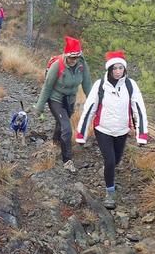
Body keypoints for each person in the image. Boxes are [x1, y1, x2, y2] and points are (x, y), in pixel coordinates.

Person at [75, 50, 148, 209]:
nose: (117, 71)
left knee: (116, 161)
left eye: (120, 68)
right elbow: (89, 109)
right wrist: (82, 133)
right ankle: (110, 192)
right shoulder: (100, 85)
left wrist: (141, 133)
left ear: (124, 69)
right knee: (109, 160)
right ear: (109, 69)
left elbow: (139, 109)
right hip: (103, 129)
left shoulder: (130, 85)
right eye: (114, 68)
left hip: (122, 130)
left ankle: (109, 172)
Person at [34, 36, 92, 173]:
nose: (74, 60)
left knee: (61, 122)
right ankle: (67, 161)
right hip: (55, 99)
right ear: (66, 55)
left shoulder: (82, 65)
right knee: (67, 127)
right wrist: (39, 107)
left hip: (70, 99)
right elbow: (47, 86)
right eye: (72, 57)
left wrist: (93, 102)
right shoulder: (57, 66)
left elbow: (87, 84)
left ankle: (56, 142)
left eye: (77, 57)